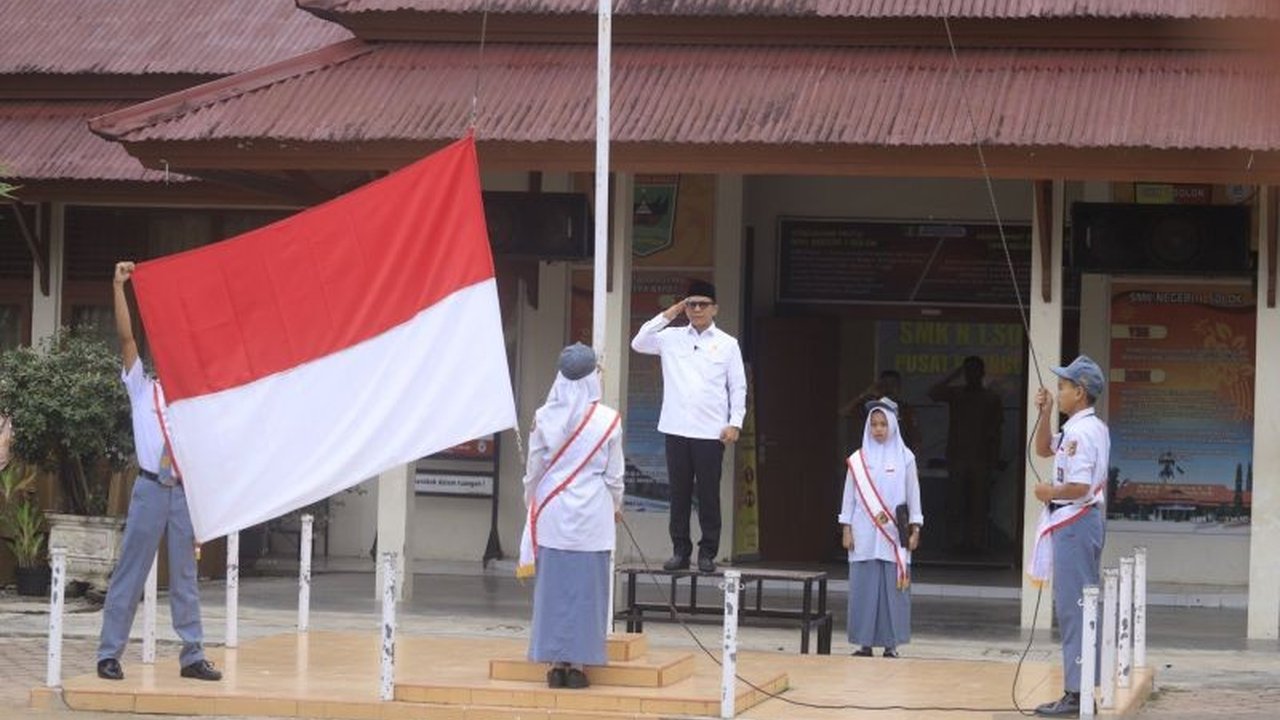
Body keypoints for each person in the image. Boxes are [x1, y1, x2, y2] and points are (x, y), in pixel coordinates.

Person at [96, 261, 220, 682]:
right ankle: (109, 653)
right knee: (131, 571)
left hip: (184, 491)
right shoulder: (141, 387)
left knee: (186, 576)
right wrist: (119, 287)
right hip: (150, 489)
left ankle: (193, 655)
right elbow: (126, 336)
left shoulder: (191, 396)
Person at [517, 343, 624, 690]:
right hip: (593, 513)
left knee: (553, 589)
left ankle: (555, 665)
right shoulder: (609, 420)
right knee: (587, 590)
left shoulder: (544, 416)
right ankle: (578, 666)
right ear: (593, 377)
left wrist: (530, 503)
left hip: (552, 510)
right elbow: (614, 478)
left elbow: (533, 470)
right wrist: (616, 506)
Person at [631, 279, 746, 573]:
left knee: (708, 493)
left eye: (702, 304)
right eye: (691, 304)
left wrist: (735, 423)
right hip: (676, 428)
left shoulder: (727, 344)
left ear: (714, 308)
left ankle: (707, 552)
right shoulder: (671, 337)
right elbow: (639, 341)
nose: (697, 309)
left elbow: (738, 387)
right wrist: (670, 313)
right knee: (678, 493)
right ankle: (679, 550)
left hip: (711, 431)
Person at [1029, 355, 1110, 717]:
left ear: (1080, 392)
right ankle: (1081, 687)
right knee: (1076, 605)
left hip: (1075, 522)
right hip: (1077, 523)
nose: (1058, 392)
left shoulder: (1082, 432)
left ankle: (1076, 693)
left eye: (1062, 387)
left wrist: (1050, 492)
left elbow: (1079, 485)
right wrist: (1044, 412)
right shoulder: (1083, 427)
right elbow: (1044, 448)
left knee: (1074, 608)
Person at [838, 397, 923, 658]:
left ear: (893, 426)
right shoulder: (858, 459)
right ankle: (864, 644)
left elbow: (913, 494)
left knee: (893, 591)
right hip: (863, 534)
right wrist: (846, 528)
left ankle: (891, 644)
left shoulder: (906, 458)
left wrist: (915, 528)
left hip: (894, 534)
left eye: (883, 424)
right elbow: (849, 496)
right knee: (864, 589)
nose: (878, 429)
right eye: (874, 424)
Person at [928, 355, 1004, 552]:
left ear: (981, 373)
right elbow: (932, 392)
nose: (971, 375)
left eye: (974, 371)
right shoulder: (957, 393)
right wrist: (955, 373)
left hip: (981, 459)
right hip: (957, 457)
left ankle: (977, 544)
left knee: (979, 504)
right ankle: (955, 543)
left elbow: (996, 432)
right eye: (967, 371)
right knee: (955, 502)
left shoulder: (991, 398)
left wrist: (994, 461)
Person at [839, 370, 921, 452]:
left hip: (897, 455)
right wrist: (866, 393)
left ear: (899, 388)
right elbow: (845, 412)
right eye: (885, 385)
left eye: (893, 385)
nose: (889, 389)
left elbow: (915, 438)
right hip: (873, 453)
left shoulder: (905, 410)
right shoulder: (872, 407)